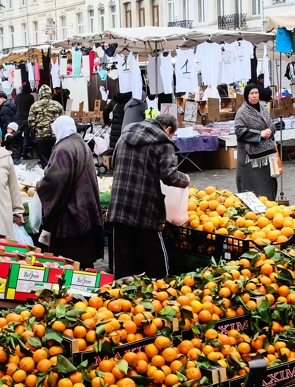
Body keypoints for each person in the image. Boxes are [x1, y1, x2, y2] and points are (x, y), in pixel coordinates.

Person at [107, 114, 189, 278]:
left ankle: (122, 297)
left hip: (119, 204)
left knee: (123, 260)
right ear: (167, 129)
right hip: (145, 207)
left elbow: (114, 162)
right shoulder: (163, 142)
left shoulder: (125, 133)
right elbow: (169, 176)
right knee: (155, 258)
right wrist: (185, 180)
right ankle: (161, 293)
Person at [37, 116, 104, 266]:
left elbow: (55, 180)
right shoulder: (81, 143)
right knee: (84, 258)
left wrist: (39, 185)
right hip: (85, 206)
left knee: (68, 260)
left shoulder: (64, 148)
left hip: (70, 212)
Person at [235, 85, 277, 200]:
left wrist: (270, 130)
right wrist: (259, 134)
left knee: (268, 182)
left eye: (256, 93)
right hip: (251, 157)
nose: (254, 96)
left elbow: (271, 123)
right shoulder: (242, 112)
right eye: (251, 93)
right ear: (246, 95)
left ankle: (269, 203)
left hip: (267, 153)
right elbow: (239, 130)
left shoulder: (263, 107)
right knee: (253, 184)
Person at [28, 84, 63, 166]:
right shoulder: (57, 105)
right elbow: (62, 120)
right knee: (55, 156)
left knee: (44, 157)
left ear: (40, 94)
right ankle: (56, 174)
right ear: (50, 93)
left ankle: (46, 174)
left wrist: (35, 132)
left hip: (41, 136)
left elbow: (31, 121)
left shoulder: (34, 106)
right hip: (55, 135)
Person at [15, 83, 35, 159]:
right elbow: (32, 108)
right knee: (26, 137)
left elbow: (15, 105)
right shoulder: (30, 97)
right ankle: (24, 154)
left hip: (18, 118)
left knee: (18, 136)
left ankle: (18, 153)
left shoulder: (18, 96)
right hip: (27, 118)